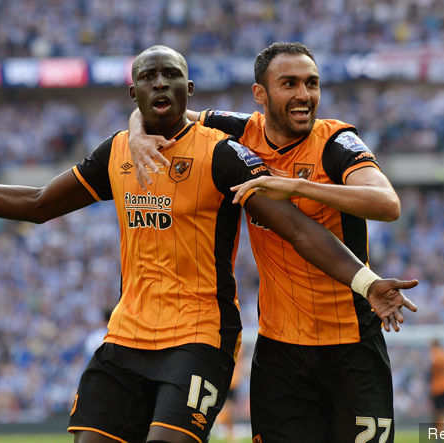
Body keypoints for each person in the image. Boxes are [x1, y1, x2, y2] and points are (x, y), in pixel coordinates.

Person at [0, 45, 416, 443]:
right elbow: (39, 203)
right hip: (139, 336)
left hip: (216, 334)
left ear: (190, 90)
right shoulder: (124, 149)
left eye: (172, 77)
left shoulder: (238, 151)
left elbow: (306, 224)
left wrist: (367, 282)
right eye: (149, 79)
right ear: (133, 92)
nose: (303, 95)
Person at [128, 42, 411, 442]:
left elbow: (387, 203)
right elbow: (163, 108)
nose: (304, 95)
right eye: (289, 83)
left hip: (351, 345)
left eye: (312, 83)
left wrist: (295, 186)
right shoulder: (240, 131)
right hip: (280, 352)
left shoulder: (337, 142)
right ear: (260, 94)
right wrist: (136, 134)